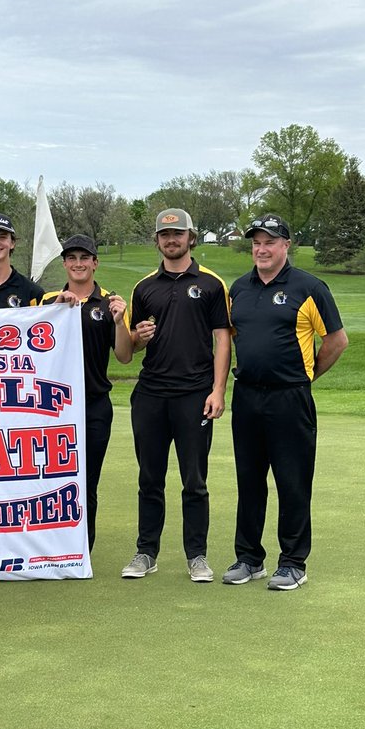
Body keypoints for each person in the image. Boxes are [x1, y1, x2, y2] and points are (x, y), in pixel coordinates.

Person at [223, 214, 348, 590]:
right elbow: (232, 338)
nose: (261, 249)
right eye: (256, 243)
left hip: (290, 398)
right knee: (249, 480)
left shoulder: (309, 287)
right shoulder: (239, 289)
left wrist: (304, 377)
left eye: (270, 242)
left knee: (292, 482)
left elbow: (336, 341)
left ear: (286, 246)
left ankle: (293, 562)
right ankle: (249, 558)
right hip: (246, 397)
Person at [121, 208, 231, 582]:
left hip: (194, 394)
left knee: (194, 481)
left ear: (191, 237)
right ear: (157, 240)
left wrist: (218, 390)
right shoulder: (144, 287)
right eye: (165, 235)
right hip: (151, 393)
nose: (172, 240)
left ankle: (196, 556)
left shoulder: (212, 284)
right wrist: (139, 337)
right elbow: (130, 346)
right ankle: (145, 552)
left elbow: (222, 340)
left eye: (178, 234)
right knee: (149, 477)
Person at [42, 235, 133, 549]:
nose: (78, 264)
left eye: (85, 258)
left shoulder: (111, 301)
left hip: (94, 405)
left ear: (95, 262)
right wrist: (53, 311)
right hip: (51, 407)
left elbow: (124, 356)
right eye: (72, 258)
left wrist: (120, 322)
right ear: (65, 263)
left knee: (86, 482)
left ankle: (81, 548)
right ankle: (51, 545)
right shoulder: (47, 301)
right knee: (52, 481)